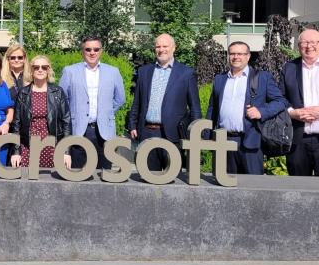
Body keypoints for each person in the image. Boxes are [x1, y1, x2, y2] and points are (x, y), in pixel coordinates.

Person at [206, 41, 286, 175]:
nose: (236, 57)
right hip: (222, 141)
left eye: (240, 54)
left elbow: (280, 101)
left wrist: (261, 111)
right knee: (222, 187)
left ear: (248, 56)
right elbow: (212, 108)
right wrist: (207, 136)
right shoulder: (220, 79)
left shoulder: (262, 78)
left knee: (253, 188)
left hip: (251, 142)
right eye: (232, 53)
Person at [128, 34, 201, 170]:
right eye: (158, 46)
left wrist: (195, 134)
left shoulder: (186, 73)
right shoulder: (144, 72)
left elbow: (195, 108)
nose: (161, 49)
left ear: (174, 48)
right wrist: (132, 124)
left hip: (173, 135)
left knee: (174, 182)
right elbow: (137, 101)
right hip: (147, 133)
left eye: (165, 46)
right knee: (148, 179)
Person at [59, 35, 126, 169]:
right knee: (77, 173)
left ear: (101, 51)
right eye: (88, 49)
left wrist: (105, 113)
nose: (92, 52)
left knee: (104, 173)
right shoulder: (69, 71)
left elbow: (120, 99)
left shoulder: (113, 72)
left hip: (104, 130)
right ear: (82, 51)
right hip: (79, 129)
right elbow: (62, 99)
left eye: (96, 49)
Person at [11, 55, 72, 169]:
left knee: (51, 182)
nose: (40, 70)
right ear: (31, 70)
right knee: (27, 182)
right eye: (36, 67)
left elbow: (66, 122)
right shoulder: (23, 93)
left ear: (48, 70)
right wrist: (16, 152)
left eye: (44, 67)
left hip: (52, 146)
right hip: (28, 145)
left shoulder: (57, 92)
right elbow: (16, 124)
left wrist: (66, 152)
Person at [280, 28, 319, 176]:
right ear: (298, 46)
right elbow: (280, 97)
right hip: (298, 139)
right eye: (304, 43)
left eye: (313, 42)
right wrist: (292, 113)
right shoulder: (289, 68)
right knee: (298, 187)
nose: (309, 46)